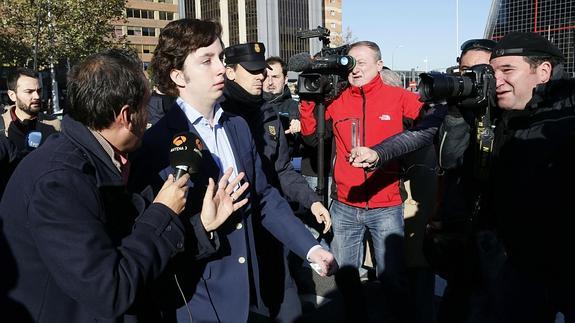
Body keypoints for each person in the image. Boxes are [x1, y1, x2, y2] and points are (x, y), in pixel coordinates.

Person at [0, 48, 243, 322]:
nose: (149, 119)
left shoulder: (114, 160)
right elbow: (109, 290)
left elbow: (140, 253)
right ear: (126, 116)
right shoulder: (58, 181)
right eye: (145, 107)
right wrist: (163, 211)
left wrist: (202, 226)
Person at [128, 19, 337, 323]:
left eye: (220, 58)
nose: (219, 69)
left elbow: (264, 196)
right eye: (206, 60)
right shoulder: (155, 144)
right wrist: (204, 223)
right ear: (178, 76)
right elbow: (151, 238)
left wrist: (310, 249)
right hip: (196, 301)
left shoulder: (237, 127)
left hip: (252, 289)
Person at [300, 40, 423, 321]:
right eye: (351, 63)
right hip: (345, 204)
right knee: (345, 274)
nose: (355, 70)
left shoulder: (399, 97)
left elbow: (429, 123)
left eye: (362, 63)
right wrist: (310, 98)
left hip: (386, 204)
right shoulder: (337, 100)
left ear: (379, 65)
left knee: (392, 277)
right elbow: (311, 135)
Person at [221, 42, 331, 322]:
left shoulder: (268, 113)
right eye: (253, 71)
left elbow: (281, 170)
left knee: (288, 308)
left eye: (264, 71)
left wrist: (311, 200)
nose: (261, 77)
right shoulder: (218, 116)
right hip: (235, 235)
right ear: (230, 72)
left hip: (274, 224)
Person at [485, 32, 575, 323]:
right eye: (493, 71)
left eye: (507, 70)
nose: (496, 81)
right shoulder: (503, 114)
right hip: (519, 263)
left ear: (544, 71)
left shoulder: (567, 116)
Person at [0, 68, 60, 197]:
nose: (37, 97)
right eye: (29, 92)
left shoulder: (55, 126)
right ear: (12, 95)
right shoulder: (2, 126)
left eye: (39, 91)